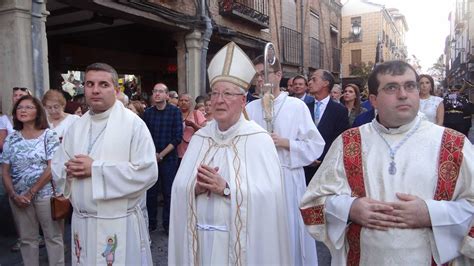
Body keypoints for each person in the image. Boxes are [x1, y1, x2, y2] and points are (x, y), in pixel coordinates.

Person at [300, 60, 474, 265]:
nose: (403, 94)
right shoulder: (349, 142)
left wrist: (432, 214)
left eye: (410, 86)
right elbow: (313, 203)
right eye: (391, 87)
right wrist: (350, 209)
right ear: (373, 99)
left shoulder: (453, 144)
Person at [169, 41, 291, 265]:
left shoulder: (259, 139)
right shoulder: (200, 138)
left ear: (243, 100)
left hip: (242, 246)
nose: (219, 100)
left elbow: (270, 198)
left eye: (227, 93)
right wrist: (194, 188)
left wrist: (226, 188)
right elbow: (178, 189)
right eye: (214, 93)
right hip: (200, 243)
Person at [52, 62, 158, 265]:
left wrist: (95, 169)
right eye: (90, 84)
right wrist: (67, 170)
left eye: (103, 84)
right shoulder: (77, 126)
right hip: (82, 223)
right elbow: (59, 165)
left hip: (118, 223)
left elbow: (147, 172)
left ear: (116, 90)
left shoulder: (134, 125)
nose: (95, 90)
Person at [246, 55, 325, 266]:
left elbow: (316, 146)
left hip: (287, 178)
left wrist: (286, 143)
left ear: (279, 75)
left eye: (264, 74)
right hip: (258, 179)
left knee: (288, 231)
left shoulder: (296, 107)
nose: (260, 80)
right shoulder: (250, 109)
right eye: (257, 76)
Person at [2, 95, 64, 265]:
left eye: (29, 107)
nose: (23, 110)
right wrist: (14, 195)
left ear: (38, 112)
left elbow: (52, 167)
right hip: (19, 198)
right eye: (20, 107)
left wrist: (31, 192)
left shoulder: (48, 135)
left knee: (53, 237)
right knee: (27, 239)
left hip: (45, 195)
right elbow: (5, 171)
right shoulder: (11, 138)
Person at [143, 82, 183, 233]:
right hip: (151, 158)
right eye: (155, 91)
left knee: (168, 193)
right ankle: (150, 223)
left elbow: (177, 137)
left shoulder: (174, 112)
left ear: (167, 95)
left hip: (169, 158)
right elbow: (145, 137)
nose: (157, 94)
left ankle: (168, 225)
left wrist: (161, 155)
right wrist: (153, 154)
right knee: (150, 192)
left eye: (161, 91)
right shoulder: (148, 113)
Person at [304, 69, 349, 184]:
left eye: (314, 79)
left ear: (326, 83)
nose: (309, 82)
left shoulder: (339, 110)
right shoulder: (303, 108)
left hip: (327, 169)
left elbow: (339, 139)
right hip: (304, 167)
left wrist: (321, 158)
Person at [177, 93, 206, 163]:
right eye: (181, 100)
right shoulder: (175, 114)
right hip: (177, 154)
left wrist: (193, 125)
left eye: (186, 100)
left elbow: (205, 131)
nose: (183, 102)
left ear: (191, 103)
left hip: (193, 153)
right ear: (178, 102)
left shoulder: (197, 113)